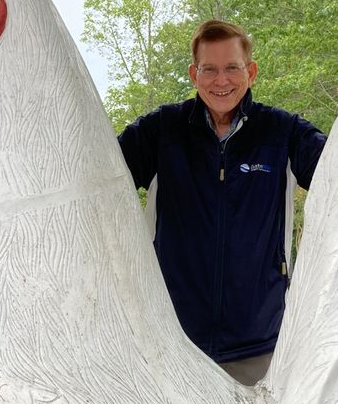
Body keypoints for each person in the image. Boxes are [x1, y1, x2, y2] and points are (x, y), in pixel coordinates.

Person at [118, 19, 327, 385]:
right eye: (209, 69)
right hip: (171, 340)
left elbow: (332, 176)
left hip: (258, 347)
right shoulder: (161, 131)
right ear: (193, 74)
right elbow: (95, 179)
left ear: (251, 72)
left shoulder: (283, 132)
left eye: (232, 67)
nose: (221, 80)